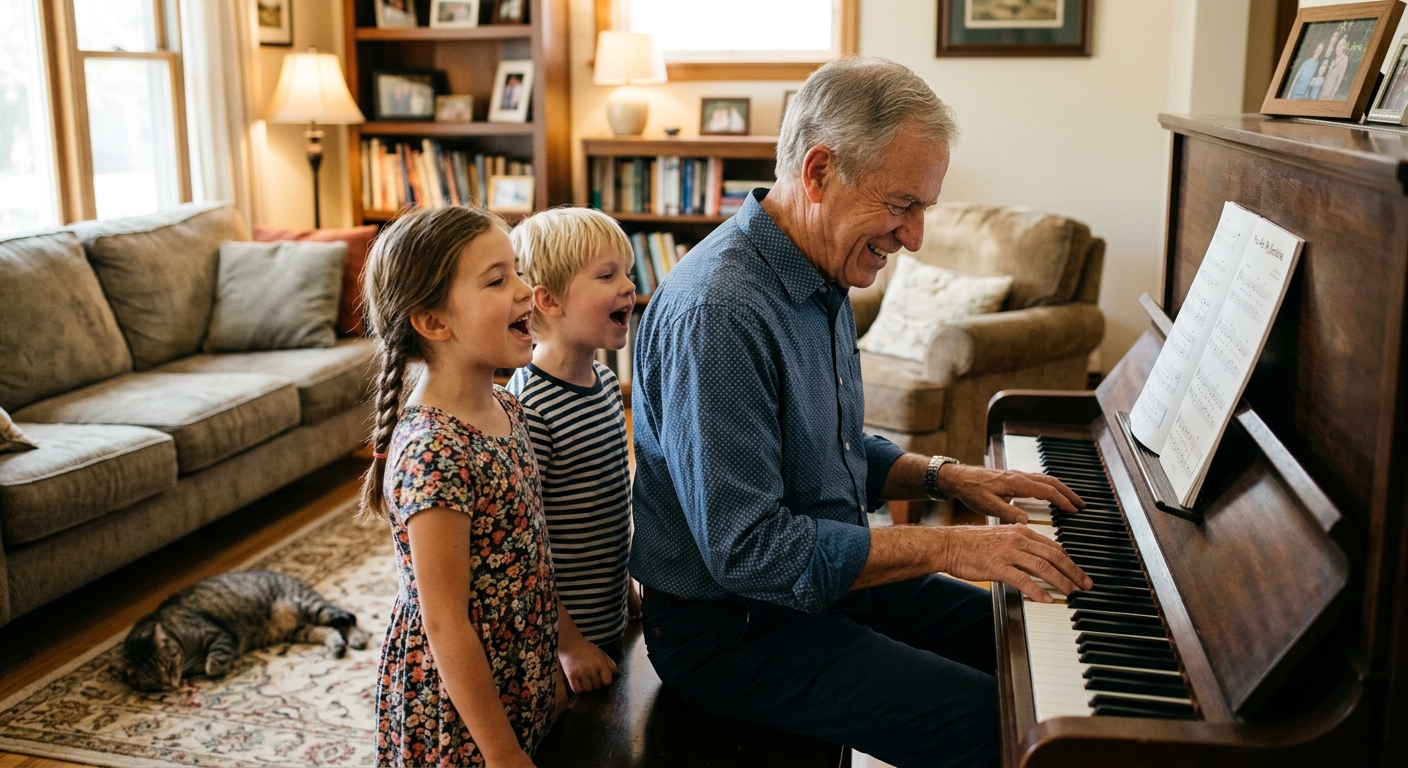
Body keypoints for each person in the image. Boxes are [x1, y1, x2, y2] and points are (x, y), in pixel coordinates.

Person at [630, 55, 1091, 768]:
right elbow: (751, 551)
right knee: (1008, 733)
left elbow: (829, 447)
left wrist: (945, 478)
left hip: (819, 585)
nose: (913, 238)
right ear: (818, 171)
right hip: (737, 632)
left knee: (1042, 629)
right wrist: (955, 547)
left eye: (923, 209)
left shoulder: (816, 267)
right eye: (901, 204)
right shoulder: (718, 312)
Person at [361, 206, 565, 767]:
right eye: (498, 280)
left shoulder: (507, 407)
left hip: (518, 673)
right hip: (461, 714)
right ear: (432, 322)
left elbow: (534, 555)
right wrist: (501, 752)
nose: (527, 290)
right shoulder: (434, 451)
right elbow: (445, 622)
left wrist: (557, 657)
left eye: (518, 270)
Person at [506, 207, 641, 692]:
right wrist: (568, 644)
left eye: (626, 271)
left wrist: (624, 591)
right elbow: (525, 548)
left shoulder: (606, 383)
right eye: (607, 275)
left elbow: (601, 505)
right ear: (548, 300)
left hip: (606, 618)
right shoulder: (528, 409)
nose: (628, 285)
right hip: (559, 642)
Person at [1321, 34, 1352, 100]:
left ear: (1345, 47)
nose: (1340, 47)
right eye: (1339, 45)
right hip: (1322, 93)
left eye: (1343, 45)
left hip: (1330, 96)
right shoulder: (1332, 59)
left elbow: (1339, 81)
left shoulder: (1344, 59)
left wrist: (1331, 98)